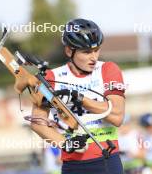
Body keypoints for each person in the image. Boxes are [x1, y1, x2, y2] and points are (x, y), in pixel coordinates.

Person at [30, 18, 125, 174]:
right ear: (69, 51)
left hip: (107, 159)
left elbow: (116, 116)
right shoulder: (51, 77)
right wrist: (65, 143)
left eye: (96, 50)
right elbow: (37, 122)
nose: (94, 57)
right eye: (86, 52)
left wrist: (78, 98)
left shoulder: (108, 69)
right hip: (73, 164)